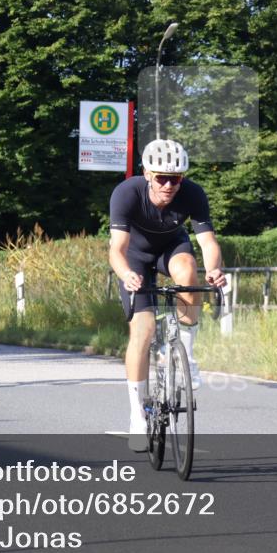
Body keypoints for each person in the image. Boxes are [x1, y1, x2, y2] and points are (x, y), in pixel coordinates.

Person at [108, 139, 227, 451]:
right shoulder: (127, 193)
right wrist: (126, 274)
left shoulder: (193, 193)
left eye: (176, 179)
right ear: (147, 173)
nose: (169, 185)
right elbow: (116, 249)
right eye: (162, 178)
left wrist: (214, 269)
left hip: (172, 249)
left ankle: (184, 353)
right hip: (135, 259)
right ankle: (137, 414)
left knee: (189, 270)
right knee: (143, 332)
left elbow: (209, 243)